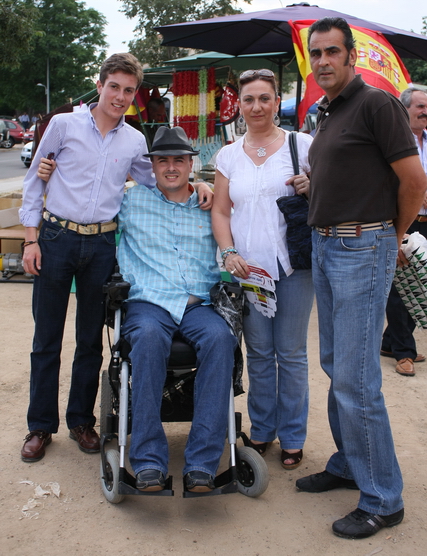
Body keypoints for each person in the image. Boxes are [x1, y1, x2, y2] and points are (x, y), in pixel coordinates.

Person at [19, 53, 212, 463]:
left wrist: (195, 185)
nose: (120, 97)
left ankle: (80, 421)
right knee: (46, 338)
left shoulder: (134, 141)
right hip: (56, 237)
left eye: (128, 91)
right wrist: (31, 240)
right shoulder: (64, 125)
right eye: (114, 87)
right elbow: (35, 179)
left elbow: (157, 180)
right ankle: (39, 427)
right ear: (100, 84)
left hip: (102, 245)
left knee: (90, 339)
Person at [296, 17, 427, 539]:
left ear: (351, 56)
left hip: (362, 247)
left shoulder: (376, 104)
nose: (324, 60)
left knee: (356, 379)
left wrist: (390, 237)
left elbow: (414, 181)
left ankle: (383, 498)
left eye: (332, 51)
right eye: (317, 53)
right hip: (327, 244)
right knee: (336, 364)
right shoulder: (327, 112)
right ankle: (351, 462)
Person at [117, 125, 237, 493]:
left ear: (191, 165)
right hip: (149, 303)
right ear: (151, 166)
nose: (171, 167)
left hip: (197, 303)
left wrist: (209, 189)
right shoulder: (130, 201)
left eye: (179, 161)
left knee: (221, 339)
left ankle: (201, 463)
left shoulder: (209, 204)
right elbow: (83, 203)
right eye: (163, 160)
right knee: (150, 338)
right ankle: (149, 462)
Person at [211, 68, 314, 470]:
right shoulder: (228, 154)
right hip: (248, 271)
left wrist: (313, 185)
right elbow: (221, 211)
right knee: (258, 352)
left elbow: (329, 194)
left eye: (264, 98)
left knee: (290, 353)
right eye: (249, 99)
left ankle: (293, 435)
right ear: (240, 103)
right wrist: (228, 253)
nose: (256, 107)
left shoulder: (301, 144)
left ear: (276, 102)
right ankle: (262, 429)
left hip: (292, 267)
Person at [381, 88, 427, 375]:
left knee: (421, 283)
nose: (425, 111)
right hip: (405, 220)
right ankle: (403, 352)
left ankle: (389, 342)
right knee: (400, 287)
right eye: (420, 106)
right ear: (405, 109)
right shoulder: (392, 142)